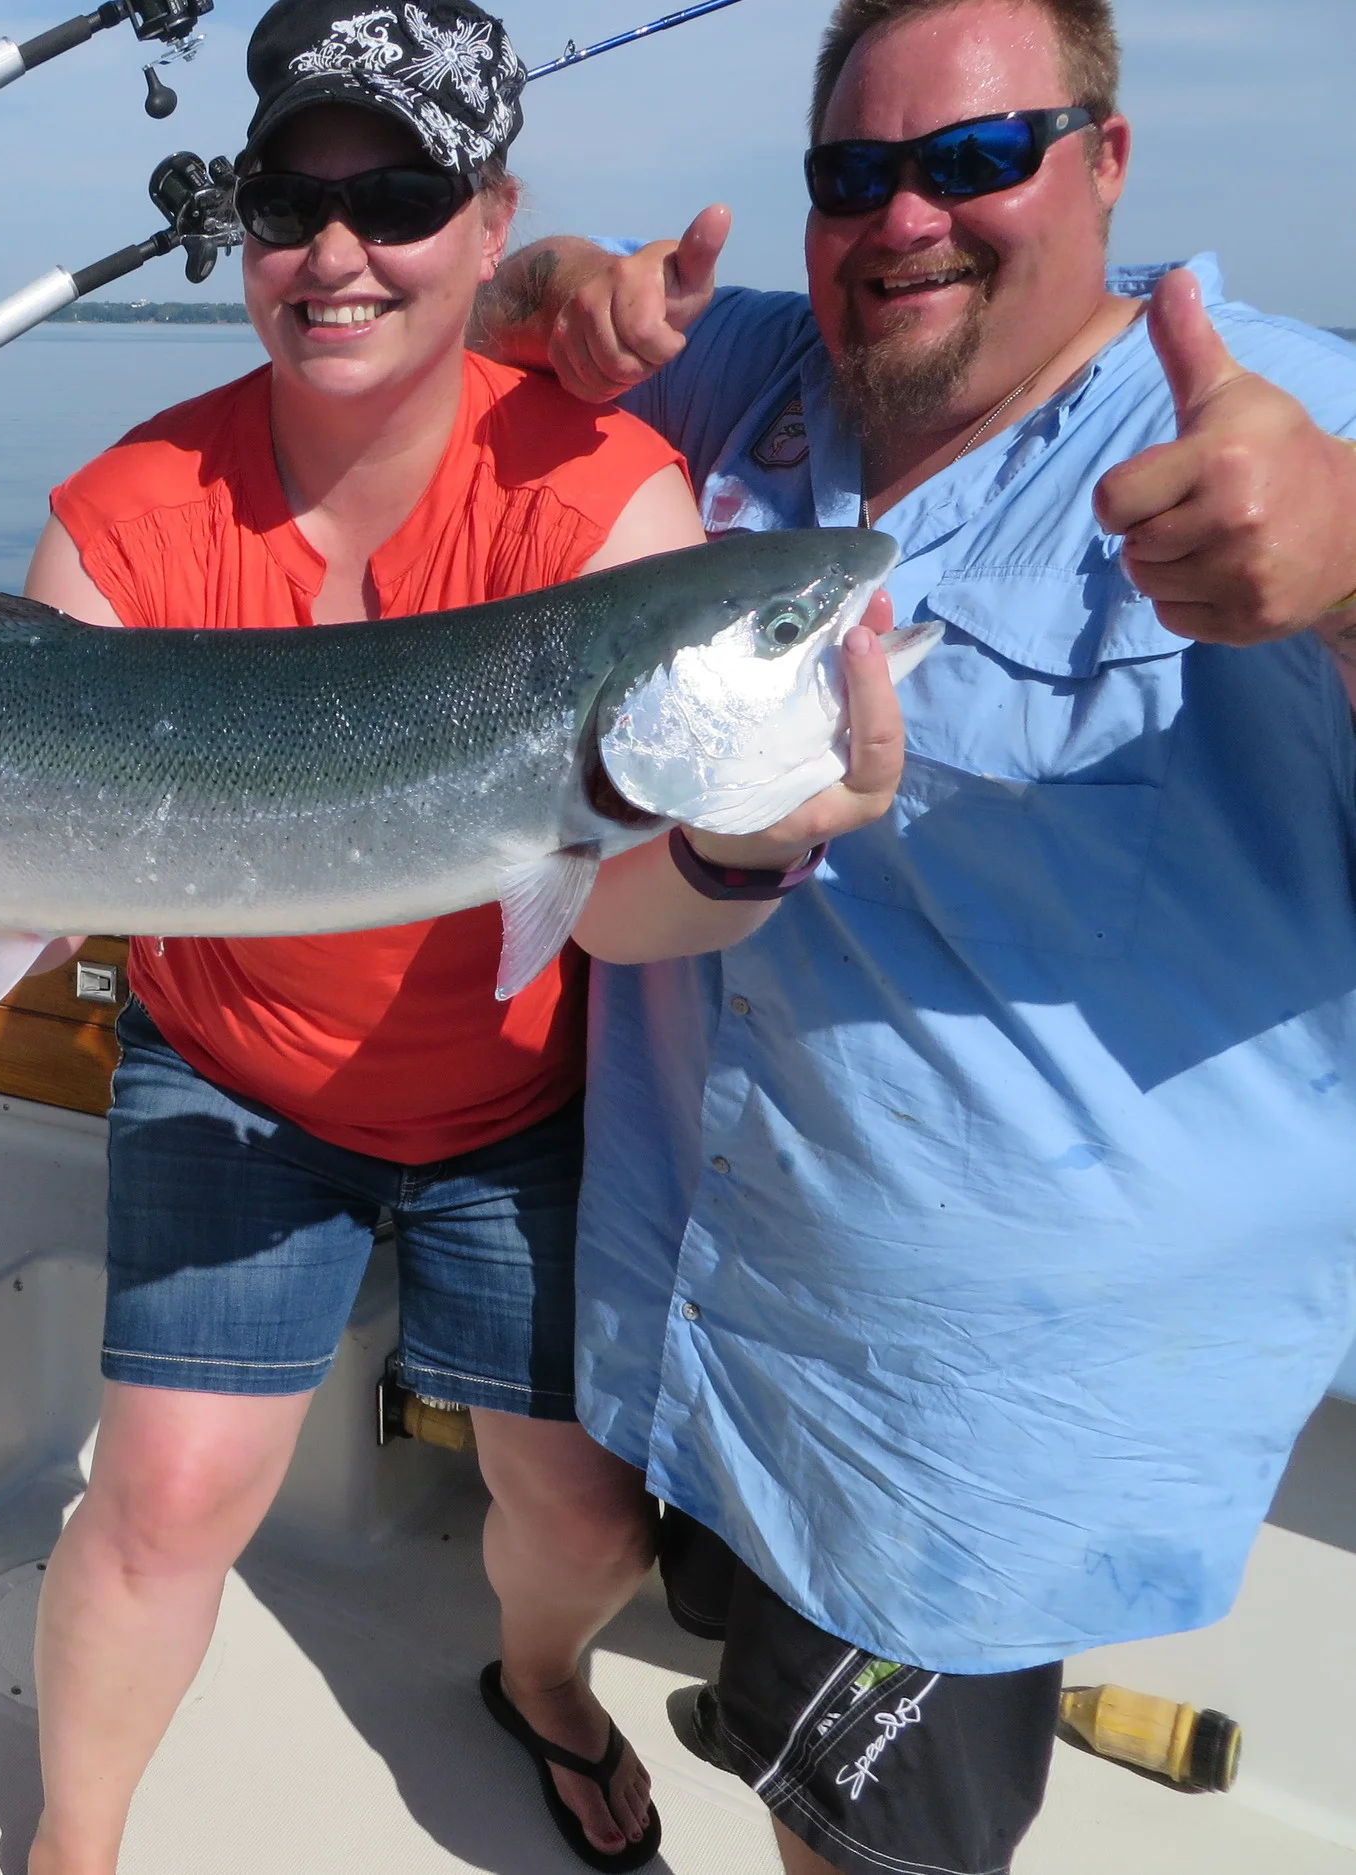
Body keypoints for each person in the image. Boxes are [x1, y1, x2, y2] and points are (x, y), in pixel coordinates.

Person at [0, 2, 907, 1867]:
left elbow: (622, 904)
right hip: (231, 1076)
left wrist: (745, 851)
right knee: (164, 1499)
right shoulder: (126, 513)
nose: (337, 253)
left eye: (397, 198)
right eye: (288, 203)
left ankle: (543, 1679)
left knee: (583, 1521)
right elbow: (14, 916)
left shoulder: (605, 501)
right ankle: (72, 1841)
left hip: (508, 1101)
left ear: (491, 223)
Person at [473, 2, 1356, 1872]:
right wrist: (569, 291)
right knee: (714, 1655)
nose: (907, 219)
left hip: (948, 1412)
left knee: (851, 1841)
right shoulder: (766, 370)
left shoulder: (1281, 421)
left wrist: (1352, 578)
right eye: (853, 174)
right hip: (686, 1303)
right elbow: (489, 309)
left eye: (974, 159)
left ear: (1107, 161)